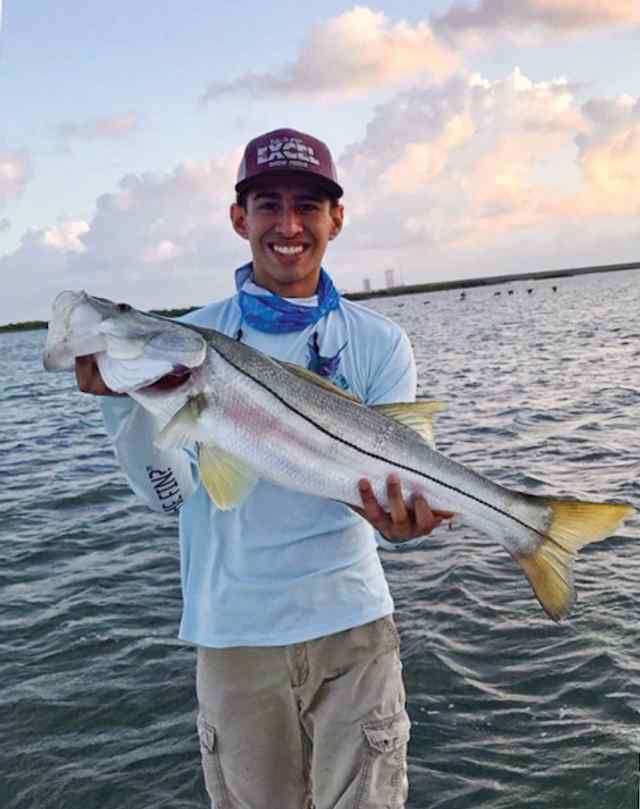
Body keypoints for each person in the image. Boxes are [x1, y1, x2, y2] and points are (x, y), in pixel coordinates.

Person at [75, 128, 452, 809]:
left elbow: (399, 485)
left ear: (336, 218)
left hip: (353, 627)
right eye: (268, 204)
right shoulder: (191, 338)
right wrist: (125, 405)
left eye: (308, 206)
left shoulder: (377, 342)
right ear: (237, 218)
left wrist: (406, 525)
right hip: (232, 635)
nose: (288, 225)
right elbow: (170, 495)